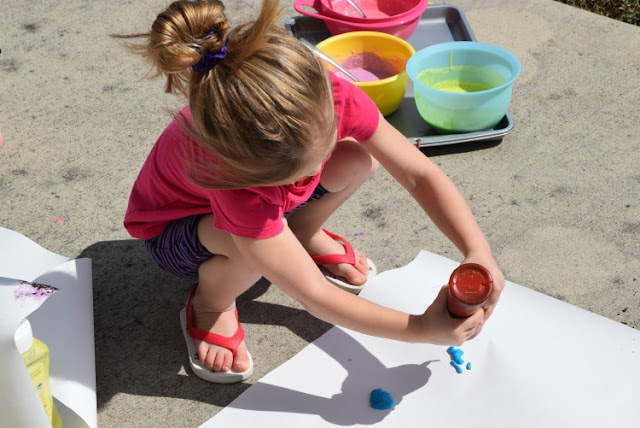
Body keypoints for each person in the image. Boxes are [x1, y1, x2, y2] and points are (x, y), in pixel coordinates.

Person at [117, 0, 505, 383]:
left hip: (253, 199)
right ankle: (209, 303)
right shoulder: (235, 182)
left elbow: (419, 174)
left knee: (360, 157)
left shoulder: (328, 98)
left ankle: (299, 234)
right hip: (174, 233)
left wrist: (478, 250)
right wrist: (419, 329)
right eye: (305, 171)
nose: (320, 170)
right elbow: (313, 294)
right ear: (265, 176)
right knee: (250, 251)